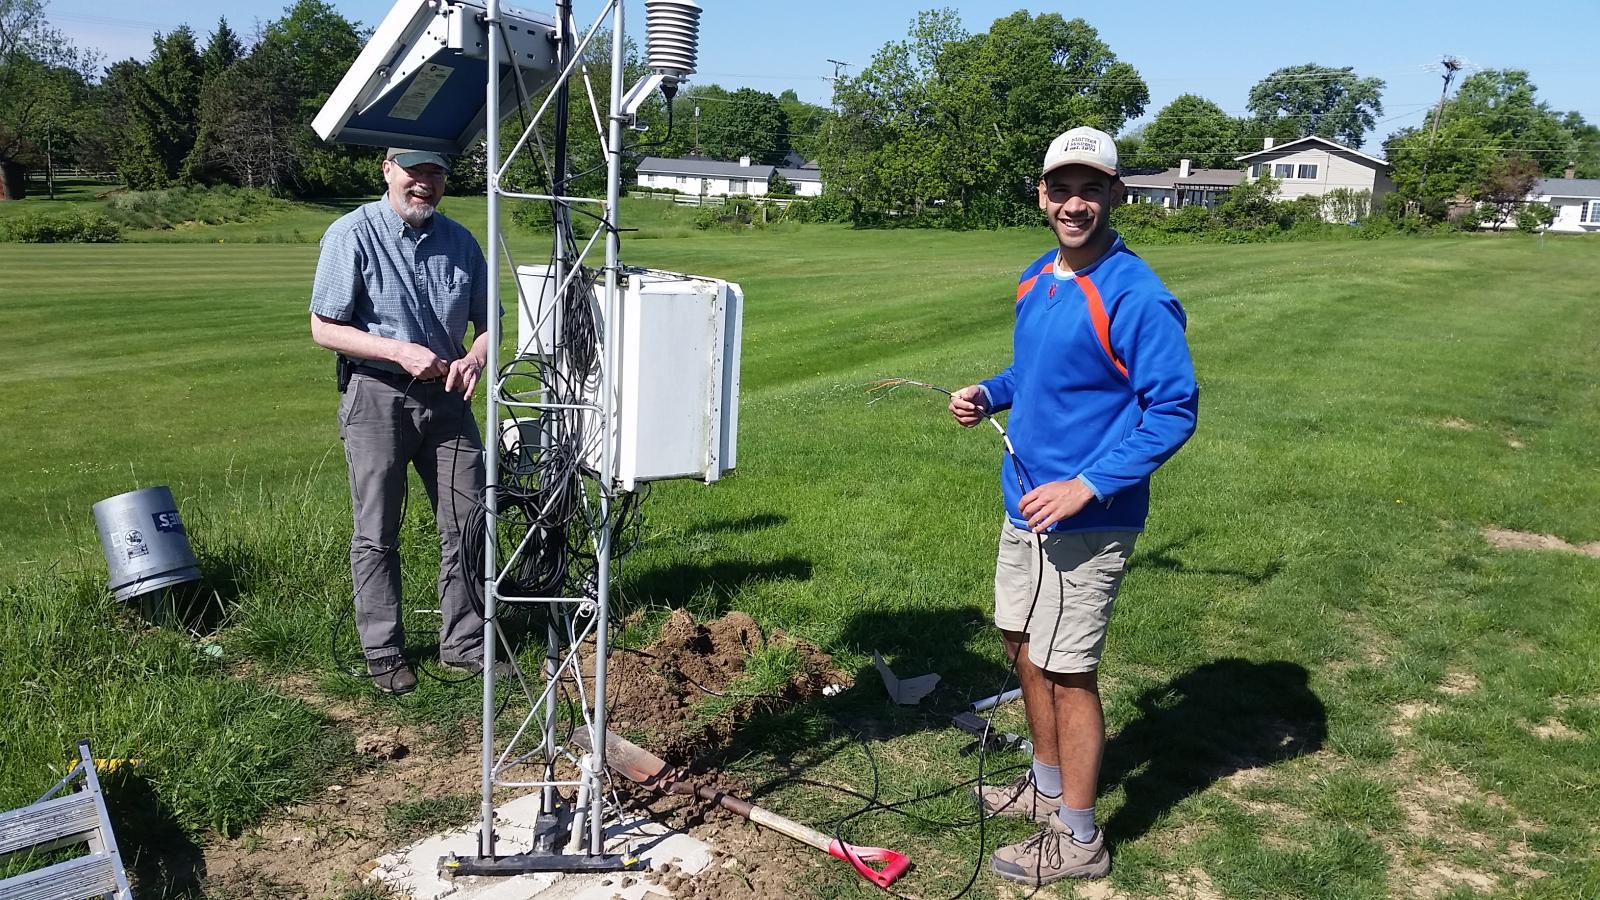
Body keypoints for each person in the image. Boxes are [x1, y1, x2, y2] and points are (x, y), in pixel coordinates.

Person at [948, 126, 1199, 884]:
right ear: (1041, 194)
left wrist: (1087, 484)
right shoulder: (1037, 279)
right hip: (1024, 503)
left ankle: (1081, 839)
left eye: (1092, 188)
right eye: (1062, 187)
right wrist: (989, 393)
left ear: (1116, 195)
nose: (1075, 203)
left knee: (1068, 672)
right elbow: (1037, 371)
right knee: (1021, 642)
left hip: (1089, 518)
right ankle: (1045, 788)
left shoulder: (1139, 296)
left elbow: (1173, 409)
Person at [309, 148, 497, 696]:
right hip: (376, 395)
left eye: (435, 173)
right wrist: (398, 352)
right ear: (388, 170)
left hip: (448, 397)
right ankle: (384, 651)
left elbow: (489, 326)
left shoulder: (462, 241)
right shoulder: (352, 233)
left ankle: (464, 645)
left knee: (468, 522)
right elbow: (324, 328)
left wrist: (476, 358)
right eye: (414, 172)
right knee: (378, 530)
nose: (425, 184)